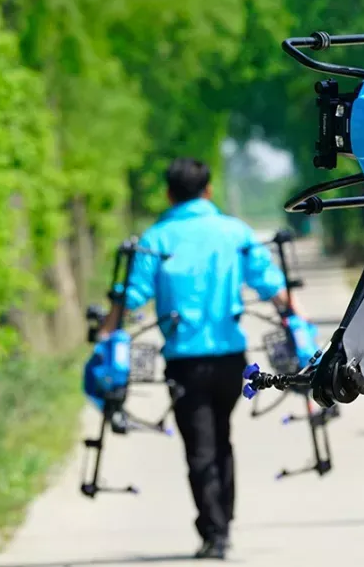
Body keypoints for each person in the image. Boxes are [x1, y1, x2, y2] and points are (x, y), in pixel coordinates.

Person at [99, 157, 301, 559]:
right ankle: (222, 521)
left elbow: (133, 295)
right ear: (207, 190)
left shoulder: (157, 238)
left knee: (200, 446)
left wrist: (105, 331)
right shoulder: (234, 231)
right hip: (232, 360)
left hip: (185, 363)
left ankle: (215, 530)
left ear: (169, 194)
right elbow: (269, 284)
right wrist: (298, 321)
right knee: (220, 436)